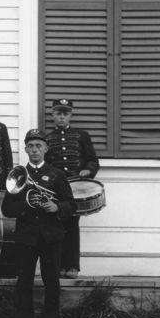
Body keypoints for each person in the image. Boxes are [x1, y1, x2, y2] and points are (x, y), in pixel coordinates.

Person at [1, 129, 76, 318]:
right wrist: (26, 206)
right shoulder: (18, 175)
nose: (34, 150)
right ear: (25, 149)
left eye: (38, 146)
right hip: (26, 236)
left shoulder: (57, 175)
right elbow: (7, 209)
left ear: (46, 148)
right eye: (31, 146)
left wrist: (57, 207)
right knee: (24, 281)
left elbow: (72, 204)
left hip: (51, 236)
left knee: (51, 281)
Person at [44, 98, 100, 279]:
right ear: (53, 115)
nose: (61, 117)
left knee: (73, 226)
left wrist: (88, 171)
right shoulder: (47, 138)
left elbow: (93, 160)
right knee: (56, 226)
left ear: (70, 115)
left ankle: (73, 267)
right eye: (58, 113)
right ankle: (59, 267)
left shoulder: (82, 135)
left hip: (76, 187)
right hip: (56, 189)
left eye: (65, 113)